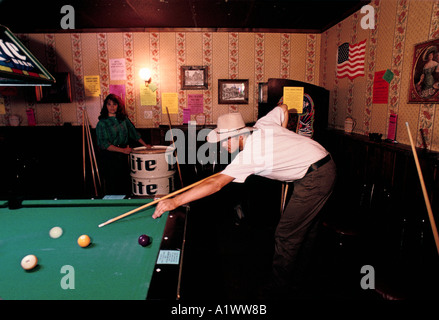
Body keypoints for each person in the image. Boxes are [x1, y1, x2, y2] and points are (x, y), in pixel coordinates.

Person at [153, 104, 336, 298]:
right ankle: (297, 282)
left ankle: (277, 291)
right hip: (321, 164)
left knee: (286, 235)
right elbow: (283, 107)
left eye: (225, 140)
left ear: (240, 135)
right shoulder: (262, 124)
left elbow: (216, 184)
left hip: (315, 177)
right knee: (305, 232)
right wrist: (282, 132)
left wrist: (175, 201)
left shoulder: (252, 154)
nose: (223, 145)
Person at [96, 94, 150, 195]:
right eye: (109, 104)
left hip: (122, 156)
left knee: (124, 183)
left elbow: (134, 133)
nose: (112, 107)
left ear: (118, 106)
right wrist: (123, 150)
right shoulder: (102, 123)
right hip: (109, 157)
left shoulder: (123, 119)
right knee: (112, 185)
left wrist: (145, 145)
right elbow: (104, 144)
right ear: (105, 106)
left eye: (114, 104)